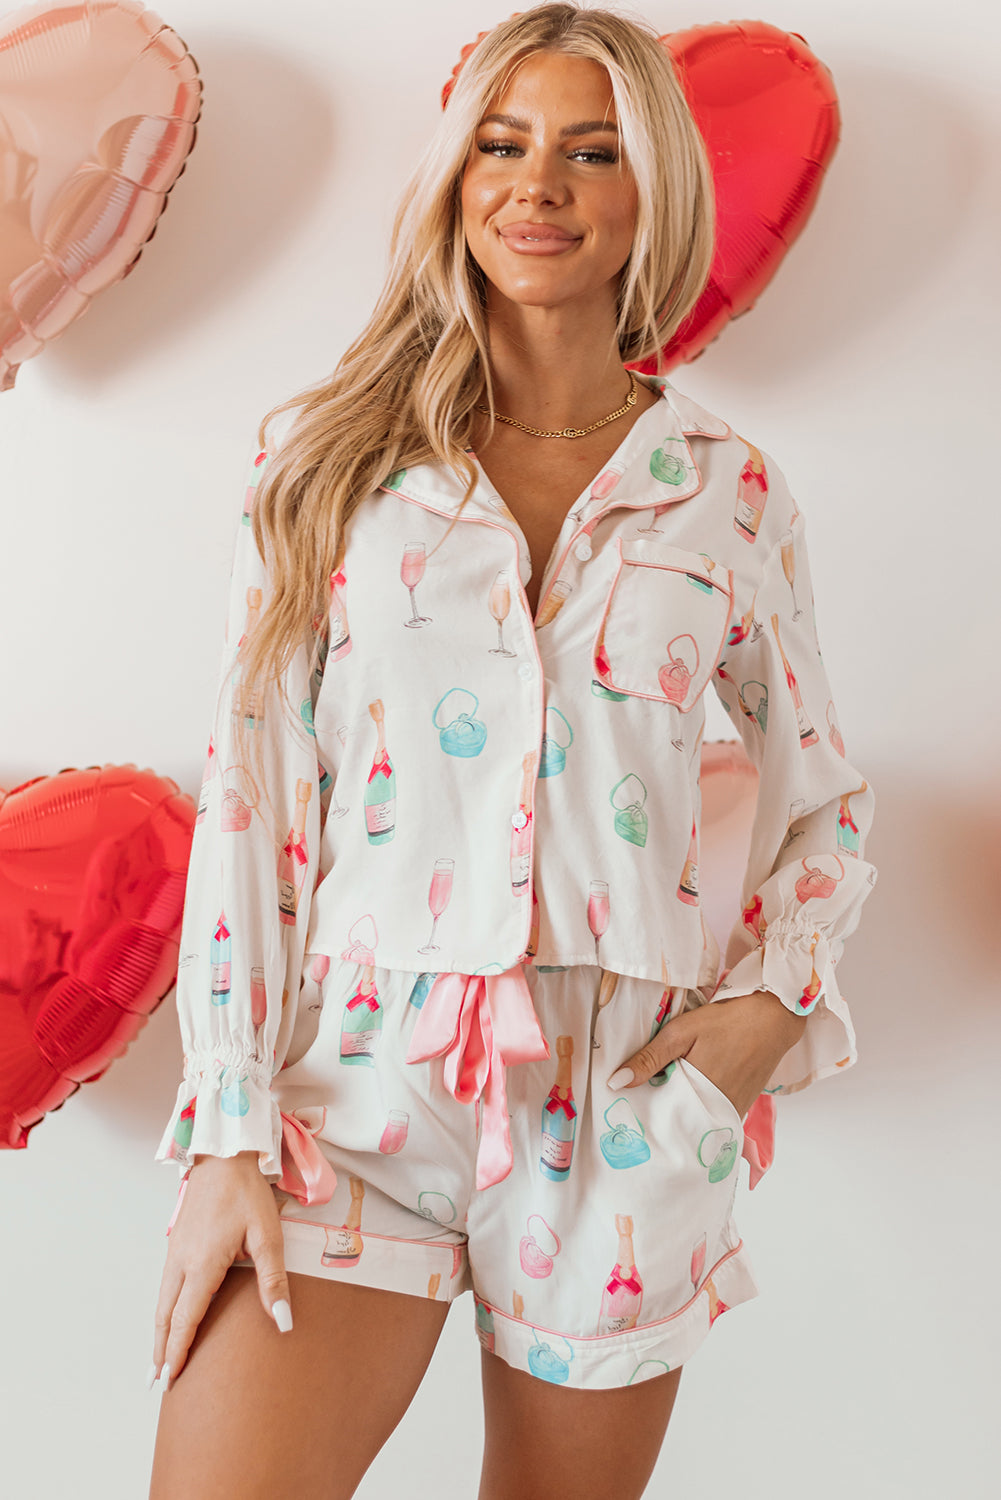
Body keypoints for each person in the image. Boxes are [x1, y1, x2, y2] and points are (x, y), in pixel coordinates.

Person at [147, 5, 878, 1497]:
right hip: (351, 1084)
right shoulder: (329, 466)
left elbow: (823, 803)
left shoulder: (724, 493)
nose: (537, 183)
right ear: (456, 175)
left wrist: (763, 1015)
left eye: (589, 152)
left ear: (650, 193)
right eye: (502, 143)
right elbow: (253, 798)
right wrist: (226, 1129)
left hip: (621, 1108)